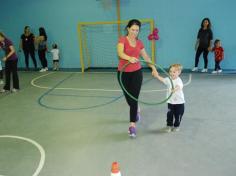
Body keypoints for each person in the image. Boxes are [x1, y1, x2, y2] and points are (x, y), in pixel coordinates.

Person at [117, 19, 158, 138]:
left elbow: (146, 56)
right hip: (122, 73)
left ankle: (132, 126)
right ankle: (136, 109)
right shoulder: (122, 40)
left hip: (136, 73)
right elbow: (120, 53)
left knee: (134, 98)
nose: (135, 32)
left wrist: (153, 68)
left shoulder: (139, 43)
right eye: (133, 29)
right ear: (128, 29)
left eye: (137, 30)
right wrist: (129, 58)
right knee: (129, 99)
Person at [154, 64, 185, 132]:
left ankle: (176, 126)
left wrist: (175, 89)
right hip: (170, 102)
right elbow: (163, 80)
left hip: (179, 103)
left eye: (174, 72)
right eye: (170, 71)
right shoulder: (168, 79)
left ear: (179, 73)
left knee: (178, 115)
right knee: (169, 114)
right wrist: (157, 76)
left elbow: (179, 86)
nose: (171, 73)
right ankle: (169, 125)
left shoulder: (179, 80)